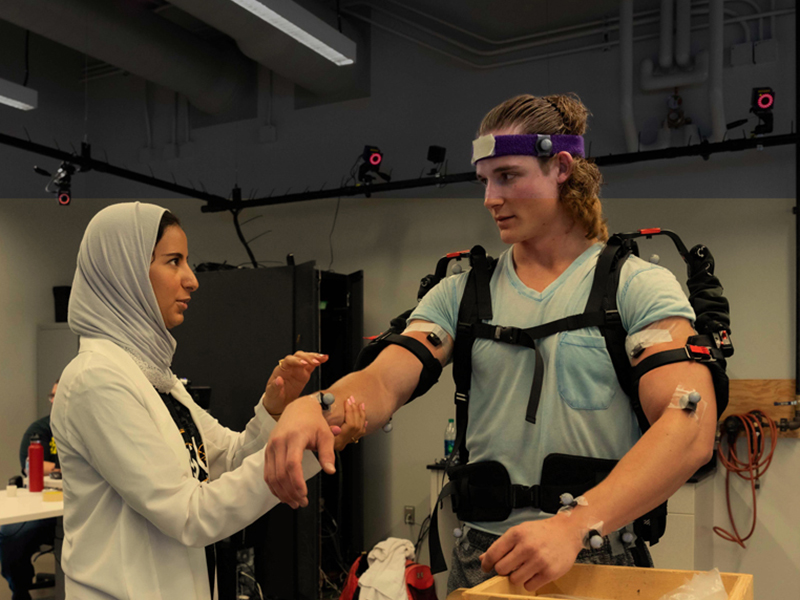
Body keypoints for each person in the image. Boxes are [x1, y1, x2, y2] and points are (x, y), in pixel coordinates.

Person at [263, 94, 717, 593]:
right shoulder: (461, 294)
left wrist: (573, 524)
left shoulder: (635, 287)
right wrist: (317, 405)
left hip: (594, 553)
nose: (490, 199)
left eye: (507, 175)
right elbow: (381, 380)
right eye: (484, 180)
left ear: (561, 166)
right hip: (483, 561)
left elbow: (689, 426)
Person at [50, 202, 366, 600]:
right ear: (124, 273)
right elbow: (190, 514)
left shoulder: (154, 378)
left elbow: (227, 460)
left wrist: (274, 410)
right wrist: (310, 447)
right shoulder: (96, 380)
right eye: (173, 261)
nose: (191, 280)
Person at [0, 380, 60, 600]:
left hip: (84, 506)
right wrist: (62, 469)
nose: (54, 400)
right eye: (52, 396)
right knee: (11, 532)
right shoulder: (40, 430)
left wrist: (52, 468)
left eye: (59, 394)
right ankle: (19, 589)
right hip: (44, 506)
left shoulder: (90, 427)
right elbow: (33, 467)